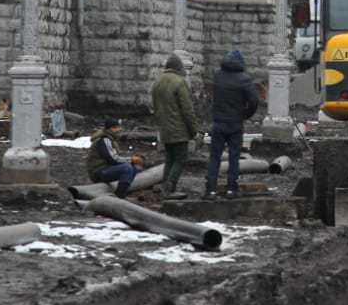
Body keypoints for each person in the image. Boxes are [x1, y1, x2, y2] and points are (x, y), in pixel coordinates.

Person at [204, 50, 260, 199]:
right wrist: (245, 114)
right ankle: (231, 189)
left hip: (218, 122)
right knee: (234, 157)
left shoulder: (218, 75)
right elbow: (254, 101)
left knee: (215, 157)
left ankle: (210, 190)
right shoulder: (244, 79)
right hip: (235, 123)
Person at [150, 53, 199, 200]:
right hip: (179, 129)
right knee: (181, 158)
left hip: (164, 128)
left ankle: (165, 186)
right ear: (179, 68)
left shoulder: (158, 82)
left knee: (170, 158)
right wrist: (194, 131)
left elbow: (154, 107)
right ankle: (170, 188)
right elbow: (187, 110)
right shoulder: (180, 82)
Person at [86, 120, 144, 198]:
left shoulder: (110, 139)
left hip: (105, 168)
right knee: (127, 168)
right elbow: (112, 159)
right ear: (110, 129)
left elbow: (115, 157)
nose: (119, 130)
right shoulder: (104, 139)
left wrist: (131, 160)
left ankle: (122, 192)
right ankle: (119, 195)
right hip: (98, 171)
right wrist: (131, 159)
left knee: (133, 168)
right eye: (116, 128)